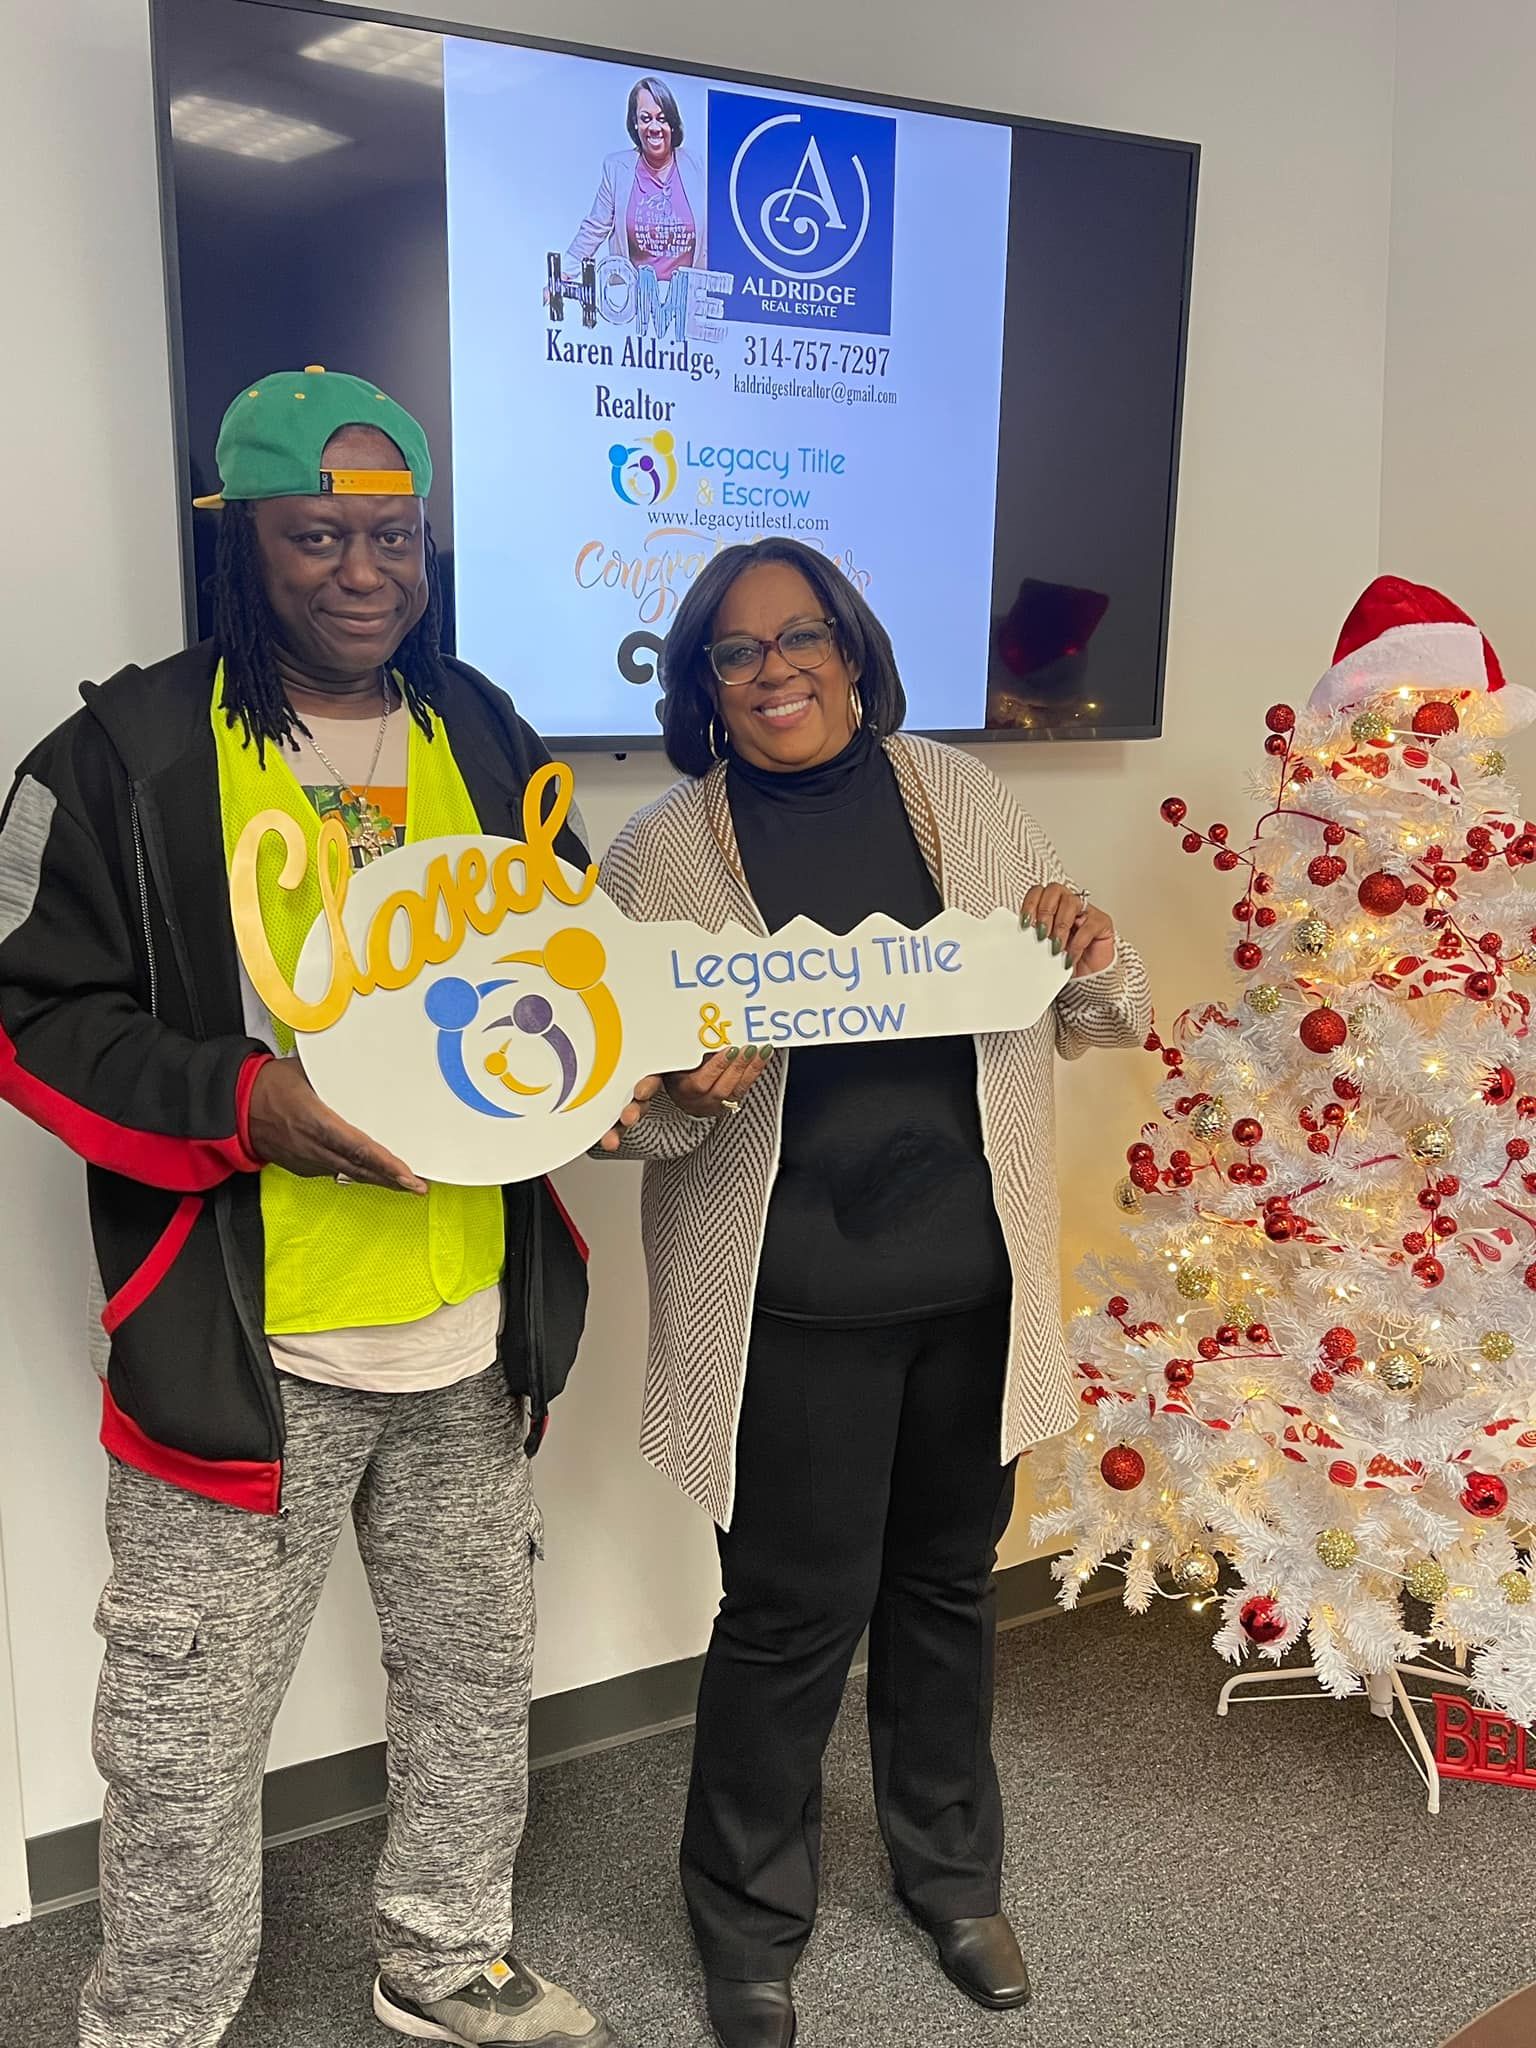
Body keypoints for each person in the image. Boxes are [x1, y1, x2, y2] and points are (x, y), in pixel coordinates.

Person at [0, 367, 638, 2048]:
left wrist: (637, 1069)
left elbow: (559, 978)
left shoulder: (484, 732)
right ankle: (157, 2016)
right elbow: (30, 1011)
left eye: (395, 536)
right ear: (238, 543)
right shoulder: (122, 754)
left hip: (464, 1321)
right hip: (248, 1337)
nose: (364, 572)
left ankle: (440, 1959)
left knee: (469, 1680)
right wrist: (237, 1100)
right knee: (187, 1724)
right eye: (318, 536)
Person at [599, 538, 1151, 2048]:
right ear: (702, 684)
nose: (773, 669)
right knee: (786, 1620)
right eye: (735, 650)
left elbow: (1087, 1002)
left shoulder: (953, 793)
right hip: (784, 1310)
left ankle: (951, 1879)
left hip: (970, 1296)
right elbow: (611, 1105)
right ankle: (749, 1923)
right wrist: (680, 1098)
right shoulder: (656, 856)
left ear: (852, 649)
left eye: (802, 637)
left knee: (946, 1598)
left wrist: (1095, 951)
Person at [565, 76, 706, 279]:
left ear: (673, 123)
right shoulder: (616, 169)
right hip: (631, 304)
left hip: (690, 303)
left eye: (662, 118)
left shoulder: (700, 166)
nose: (655, 127)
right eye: (645, 118)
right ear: (635, 123)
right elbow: (595, 228)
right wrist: (564, 274)